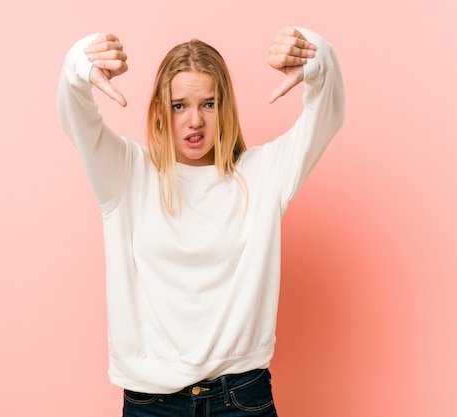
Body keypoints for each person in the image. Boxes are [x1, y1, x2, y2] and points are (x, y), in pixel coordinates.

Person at [58, 26, 345, 417]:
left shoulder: (262, 174)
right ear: (161, 109)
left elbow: (327, 114)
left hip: (240, 398)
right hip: (151, 403)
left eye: (208, 104)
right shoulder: (126, 173)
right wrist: (80, 63)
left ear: (224, 107)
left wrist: (316, 57)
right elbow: (75, 116)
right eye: (180, 105)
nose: (195, 121)